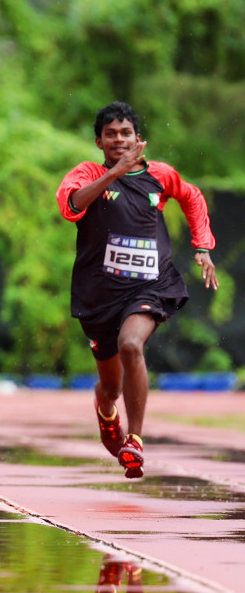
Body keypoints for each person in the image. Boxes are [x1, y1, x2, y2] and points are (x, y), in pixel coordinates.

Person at [57, 101, 216, 480]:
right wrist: (115, 174)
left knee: (132, 345)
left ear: (138, 138)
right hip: (100, 294)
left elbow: (191, 197)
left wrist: (203, 245)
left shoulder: (159, 175)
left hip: (149, 285)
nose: (119, 139)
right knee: (110, 386)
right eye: (110, 134)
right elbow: (71, 205)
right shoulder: (87, 173)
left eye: (126, 133)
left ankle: (135, 439)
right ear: (99, 141)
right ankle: (105, 408)